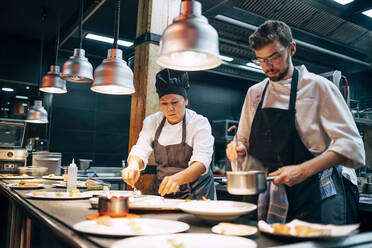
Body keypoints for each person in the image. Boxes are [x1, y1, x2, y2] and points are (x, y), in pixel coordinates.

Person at [226, 20, 365, 224]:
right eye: (261, 60)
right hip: (260, 196)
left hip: (305, 197)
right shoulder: (255, 93)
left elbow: (352, 146)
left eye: (275, 57)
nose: (268, 66)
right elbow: (243, 140)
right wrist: (237, 149)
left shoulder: (318, 88)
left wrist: (303, 170)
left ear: (291, 49)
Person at [122, 69, 215, 200]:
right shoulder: (153, 121)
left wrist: (177, 179)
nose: (169, 108)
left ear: (186, 101)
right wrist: (133, 166)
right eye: (164, 103)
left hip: (197, 196)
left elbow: (201, 162)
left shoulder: (199, 123)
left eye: (175, 102)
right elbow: (140, 150)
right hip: (165, 194)